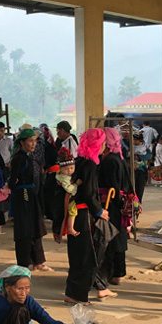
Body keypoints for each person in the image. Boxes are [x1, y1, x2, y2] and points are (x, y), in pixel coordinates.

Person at [64, 128, 109, 305]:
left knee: (76, 255)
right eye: (102, 142)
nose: (104, 145)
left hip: (75, 214)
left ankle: (71, 292)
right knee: (87, 256)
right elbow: (90, 194)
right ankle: (77, 296)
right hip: (85, 216)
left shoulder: (79, 161)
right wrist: (100, 211)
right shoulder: (90, 165)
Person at [8, 129, 50, 272]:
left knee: (35, 227)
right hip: (23, 195)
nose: (33, 144)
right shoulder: (18, 158)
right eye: (30, 141)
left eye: (35, 141)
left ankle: (37, 262)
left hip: (31, 194)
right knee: (24, 229)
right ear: (22, 142)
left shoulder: (28, 156)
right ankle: (24, 263)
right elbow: (12, 181)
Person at [97, 127, 133, 288]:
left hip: (112, 203)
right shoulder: (119, 157)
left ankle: (113, 273)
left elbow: (113, 186)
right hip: (120, 202)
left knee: (111, 237)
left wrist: (114, 202)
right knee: (119, 235)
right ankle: (119, 272)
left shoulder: (109, 160)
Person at [53, 148, 80, 237]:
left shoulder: (65, 175)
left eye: (72, 168)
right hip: (65, 199)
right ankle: (70, 228)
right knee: (73, 210)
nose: (69, 171)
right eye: (66, 169)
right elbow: (69, 189)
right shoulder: (63, 178)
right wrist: (76, 185)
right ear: (60, 169)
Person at [132, 132, 151, 203]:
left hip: (141, 171)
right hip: (131, 171)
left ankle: (138, 205)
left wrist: (139, 157)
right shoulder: (128, 145)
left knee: (139, 190)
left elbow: (149, 155)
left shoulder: (145, 147)